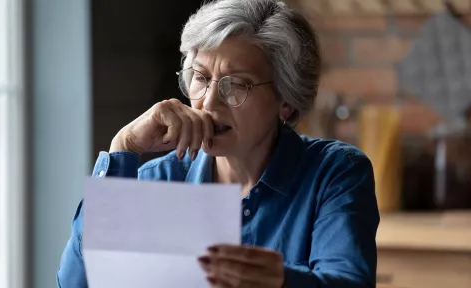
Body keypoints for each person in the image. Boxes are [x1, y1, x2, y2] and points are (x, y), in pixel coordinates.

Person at [57, 0, 379, 287]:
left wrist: (281, 281)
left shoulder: (335, 174)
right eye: (200, 77)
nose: (209, 103)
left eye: (235, 85)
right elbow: (76, 283)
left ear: (286, 101)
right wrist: (123, 148)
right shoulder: (161, 181)